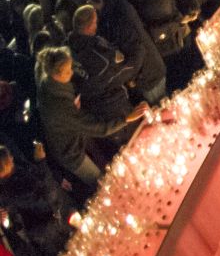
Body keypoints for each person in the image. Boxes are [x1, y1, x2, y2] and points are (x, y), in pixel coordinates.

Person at [34, 46, 145, 194]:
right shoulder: (58, 106)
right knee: (101, 182)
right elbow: (98, 128)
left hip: (79, 135)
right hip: (70, 153)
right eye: (67, 71)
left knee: (106, 163)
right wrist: (126, 119)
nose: (71, 73)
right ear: (56, 75)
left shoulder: (49, 82)